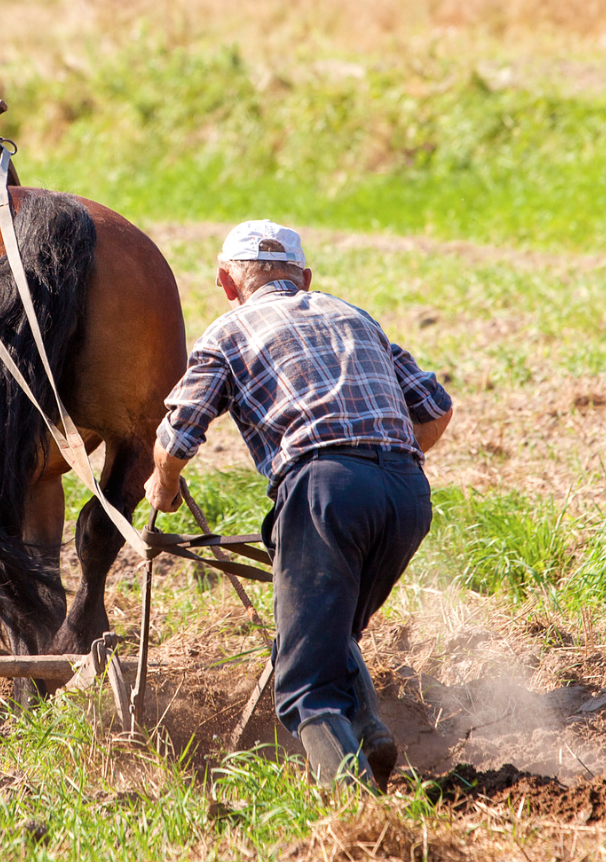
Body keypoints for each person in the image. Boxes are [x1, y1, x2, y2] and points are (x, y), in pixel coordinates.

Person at [144, 220, 453, 791]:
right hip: (408, 495)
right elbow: (434, 410)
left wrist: (161, 487)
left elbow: (180, 431)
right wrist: (388, 459)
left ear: (225, 280)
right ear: (305, 276)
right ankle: (369, 729)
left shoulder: (227, 331)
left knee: (303, 683)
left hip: (325, 489)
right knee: (328, 630)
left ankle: (354, 810)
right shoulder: (355, 316)